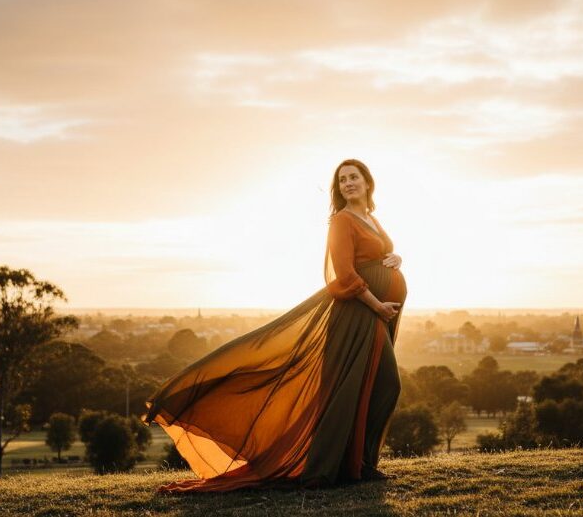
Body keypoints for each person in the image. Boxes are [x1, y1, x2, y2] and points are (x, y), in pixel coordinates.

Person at [141, 158, 407, 493]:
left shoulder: (370, 217)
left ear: (368, 182)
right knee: (367, 388)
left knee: (376, 388)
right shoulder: (341, 220)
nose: (349, 183)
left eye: (354, 177)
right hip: (358, 315)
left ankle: (362, 464)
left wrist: (397, 259)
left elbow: (382, 252)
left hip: (373, 314)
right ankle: (338, 466)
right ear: (338, 189)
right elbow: (346, 274)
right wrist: (377, 304)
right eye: (342, 180)